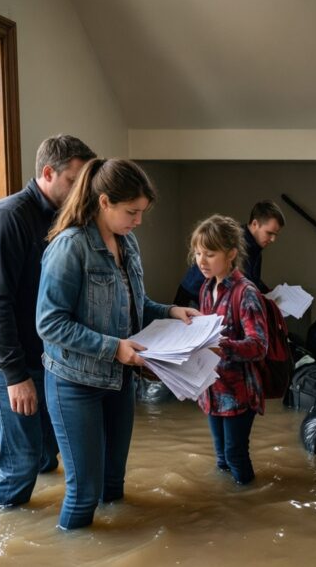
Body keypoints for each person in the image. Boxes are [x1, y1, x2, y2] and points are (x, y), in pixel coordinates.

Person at [36, 158, 199, 529]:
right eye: (132, 212)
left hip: (119, 382)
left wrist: (173, 311)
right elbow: (49, 323)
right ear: (104, 201)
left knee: (113, 484)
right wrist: (115, 348)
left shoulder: (128, 242)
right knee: (83, 493)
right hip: (74, 384)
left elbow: (132, 304)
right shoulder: (69, 247)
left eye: (142, 212)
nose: (138, 221)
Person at [0, 134, 96, 506]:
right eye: (74, 182)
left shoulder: (63, 217)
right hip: (5, 360)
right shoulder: (8, 218)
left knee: (46, 452)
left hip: (44, 357)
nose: (81, 192)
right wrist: (15, 376)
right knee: (21, 460)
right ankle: (9, 531)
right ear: (47, 173)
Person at [191, 214, 270, 485]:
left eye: (210, 254)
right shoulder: (205, 288)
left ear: (232, 253)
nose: (201, 261)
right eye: (198, 253)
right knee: (221, 457)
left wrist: (221, 347)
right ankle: (227, 511)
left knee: (235, 455)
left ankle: (247, 508)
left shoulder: (246, 292)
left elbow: (259, 345)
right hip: (212, 389)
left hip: (238, 394)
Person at [173, 200, 285, 307]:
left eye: (276, 234)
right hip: (193, 296)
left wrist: (269, 292)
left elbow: (251, 280)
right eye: (269, 233)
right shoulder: (236, 242)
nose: (273, 239)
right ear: (255, 224)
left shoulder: (256, 245)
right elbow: (239, 285)